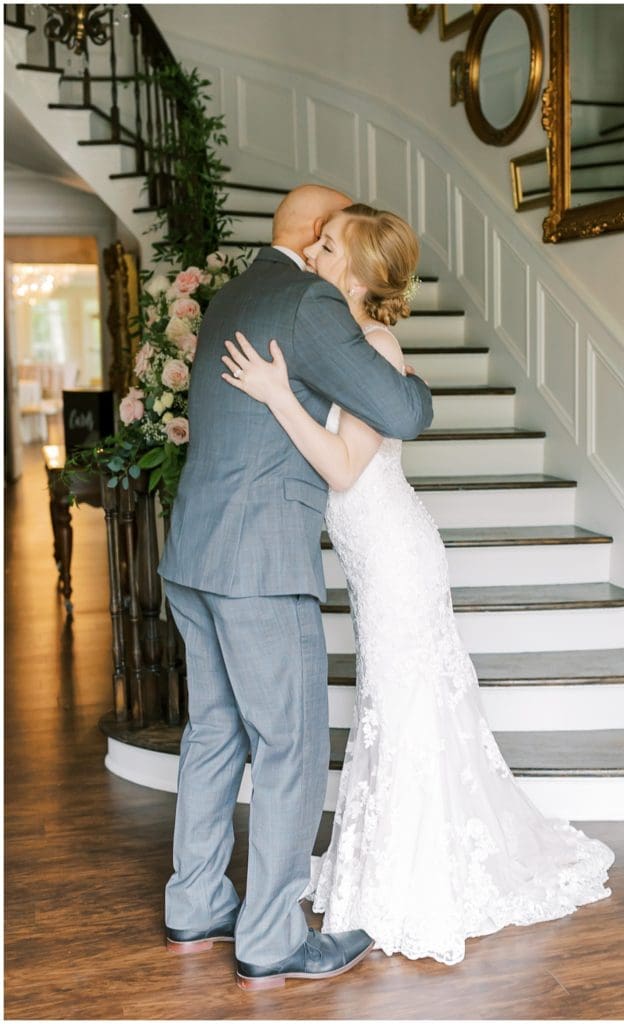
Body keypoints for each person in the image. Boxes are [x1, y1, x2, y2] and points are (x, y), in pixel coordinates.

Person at [221, 204, 616, 966]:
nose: (314, 253)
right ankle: (389, 867)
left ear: (358, 275)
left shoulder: (375, 344)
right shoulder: (342, 341)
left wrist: (276, 394)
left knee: (403, 712)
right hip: (377, 560)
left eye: (327, 246)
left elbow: (344, 466)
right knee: (391, 709)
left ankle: (415, 881)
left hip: (398, 560)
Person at [157, 185, 434, 991]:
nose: (325, 249)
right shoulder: (310, 301)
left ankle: (195, 901)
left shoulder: (232, 296)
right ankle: (273, 939)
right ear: (317, 234)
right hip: (259, 564)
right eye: (332, 232)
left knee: (214, 732)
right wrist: (415, 382)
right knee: (291, 745)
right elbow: (402, 412)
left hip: (193, 552)